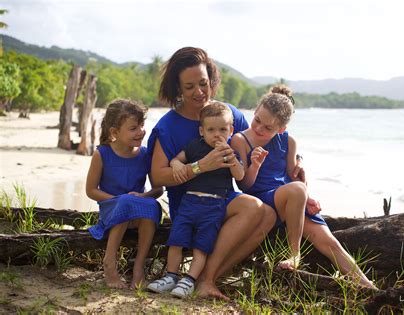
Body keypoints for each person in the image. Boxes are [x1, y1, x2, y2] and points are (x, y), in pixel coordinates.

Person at [147, 47, 305, 300]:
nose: (199, 92)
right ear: (177, 88)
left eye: (203, 83)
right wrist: (200, 166)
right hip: (189, 202)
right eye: (189, 87)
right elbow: (157, 177)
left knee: (267, 214)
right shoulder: (168, 126)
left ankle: (207, 279)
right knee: (255, 208)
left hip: (222, 197)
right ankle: (202, 278)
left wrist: (296, 162)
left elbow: (268, 137)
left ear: (211, 79)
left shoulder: (227, 114)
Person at [231, 85, 377, 289]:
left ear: (281, 129)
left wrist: (306, 198)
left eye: (268, 128)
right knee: (298, 189)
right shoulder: (241, 140)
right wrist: (255, 166)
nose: (259, 128)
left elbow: (293, 178)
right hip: (264, 201)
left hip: (290, 199)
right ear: (255, 111)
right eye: (257, 120)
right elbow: (244, 185)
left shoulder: (289, 141)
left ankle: (370, 288)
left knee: (329, 242)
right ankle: (294, 253)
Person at [148, 102, 244, 298]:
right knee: (176, 241)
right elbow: (176, 159)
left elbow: (240, 175)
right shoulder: (194, 147)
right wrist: (176, 165)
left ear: (231, 130)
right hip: (189, 202)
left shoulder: (230, 153)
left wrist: (231, 158)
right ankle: (171, 276)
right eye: (211, 129)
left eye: (223, 129)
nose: (217, 134)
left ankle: (189, 280)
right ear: (202, 131)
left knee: (202, 246)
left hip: (214, 205)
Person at [86, 99, 163, 289]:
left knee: (152, 206)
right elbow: (91, 191)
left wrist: (141, 197)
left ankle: (138, 267)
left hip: (137, 209)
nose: (141, 131)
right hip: (111, 209)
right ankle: (109, 264)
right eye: (133, 128)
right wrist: (119, 200)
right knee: (125, 203)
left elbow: (157, 189)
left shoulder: (145, 154)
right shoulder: (102, 154)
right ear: (114, 132)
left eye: (142, 126)